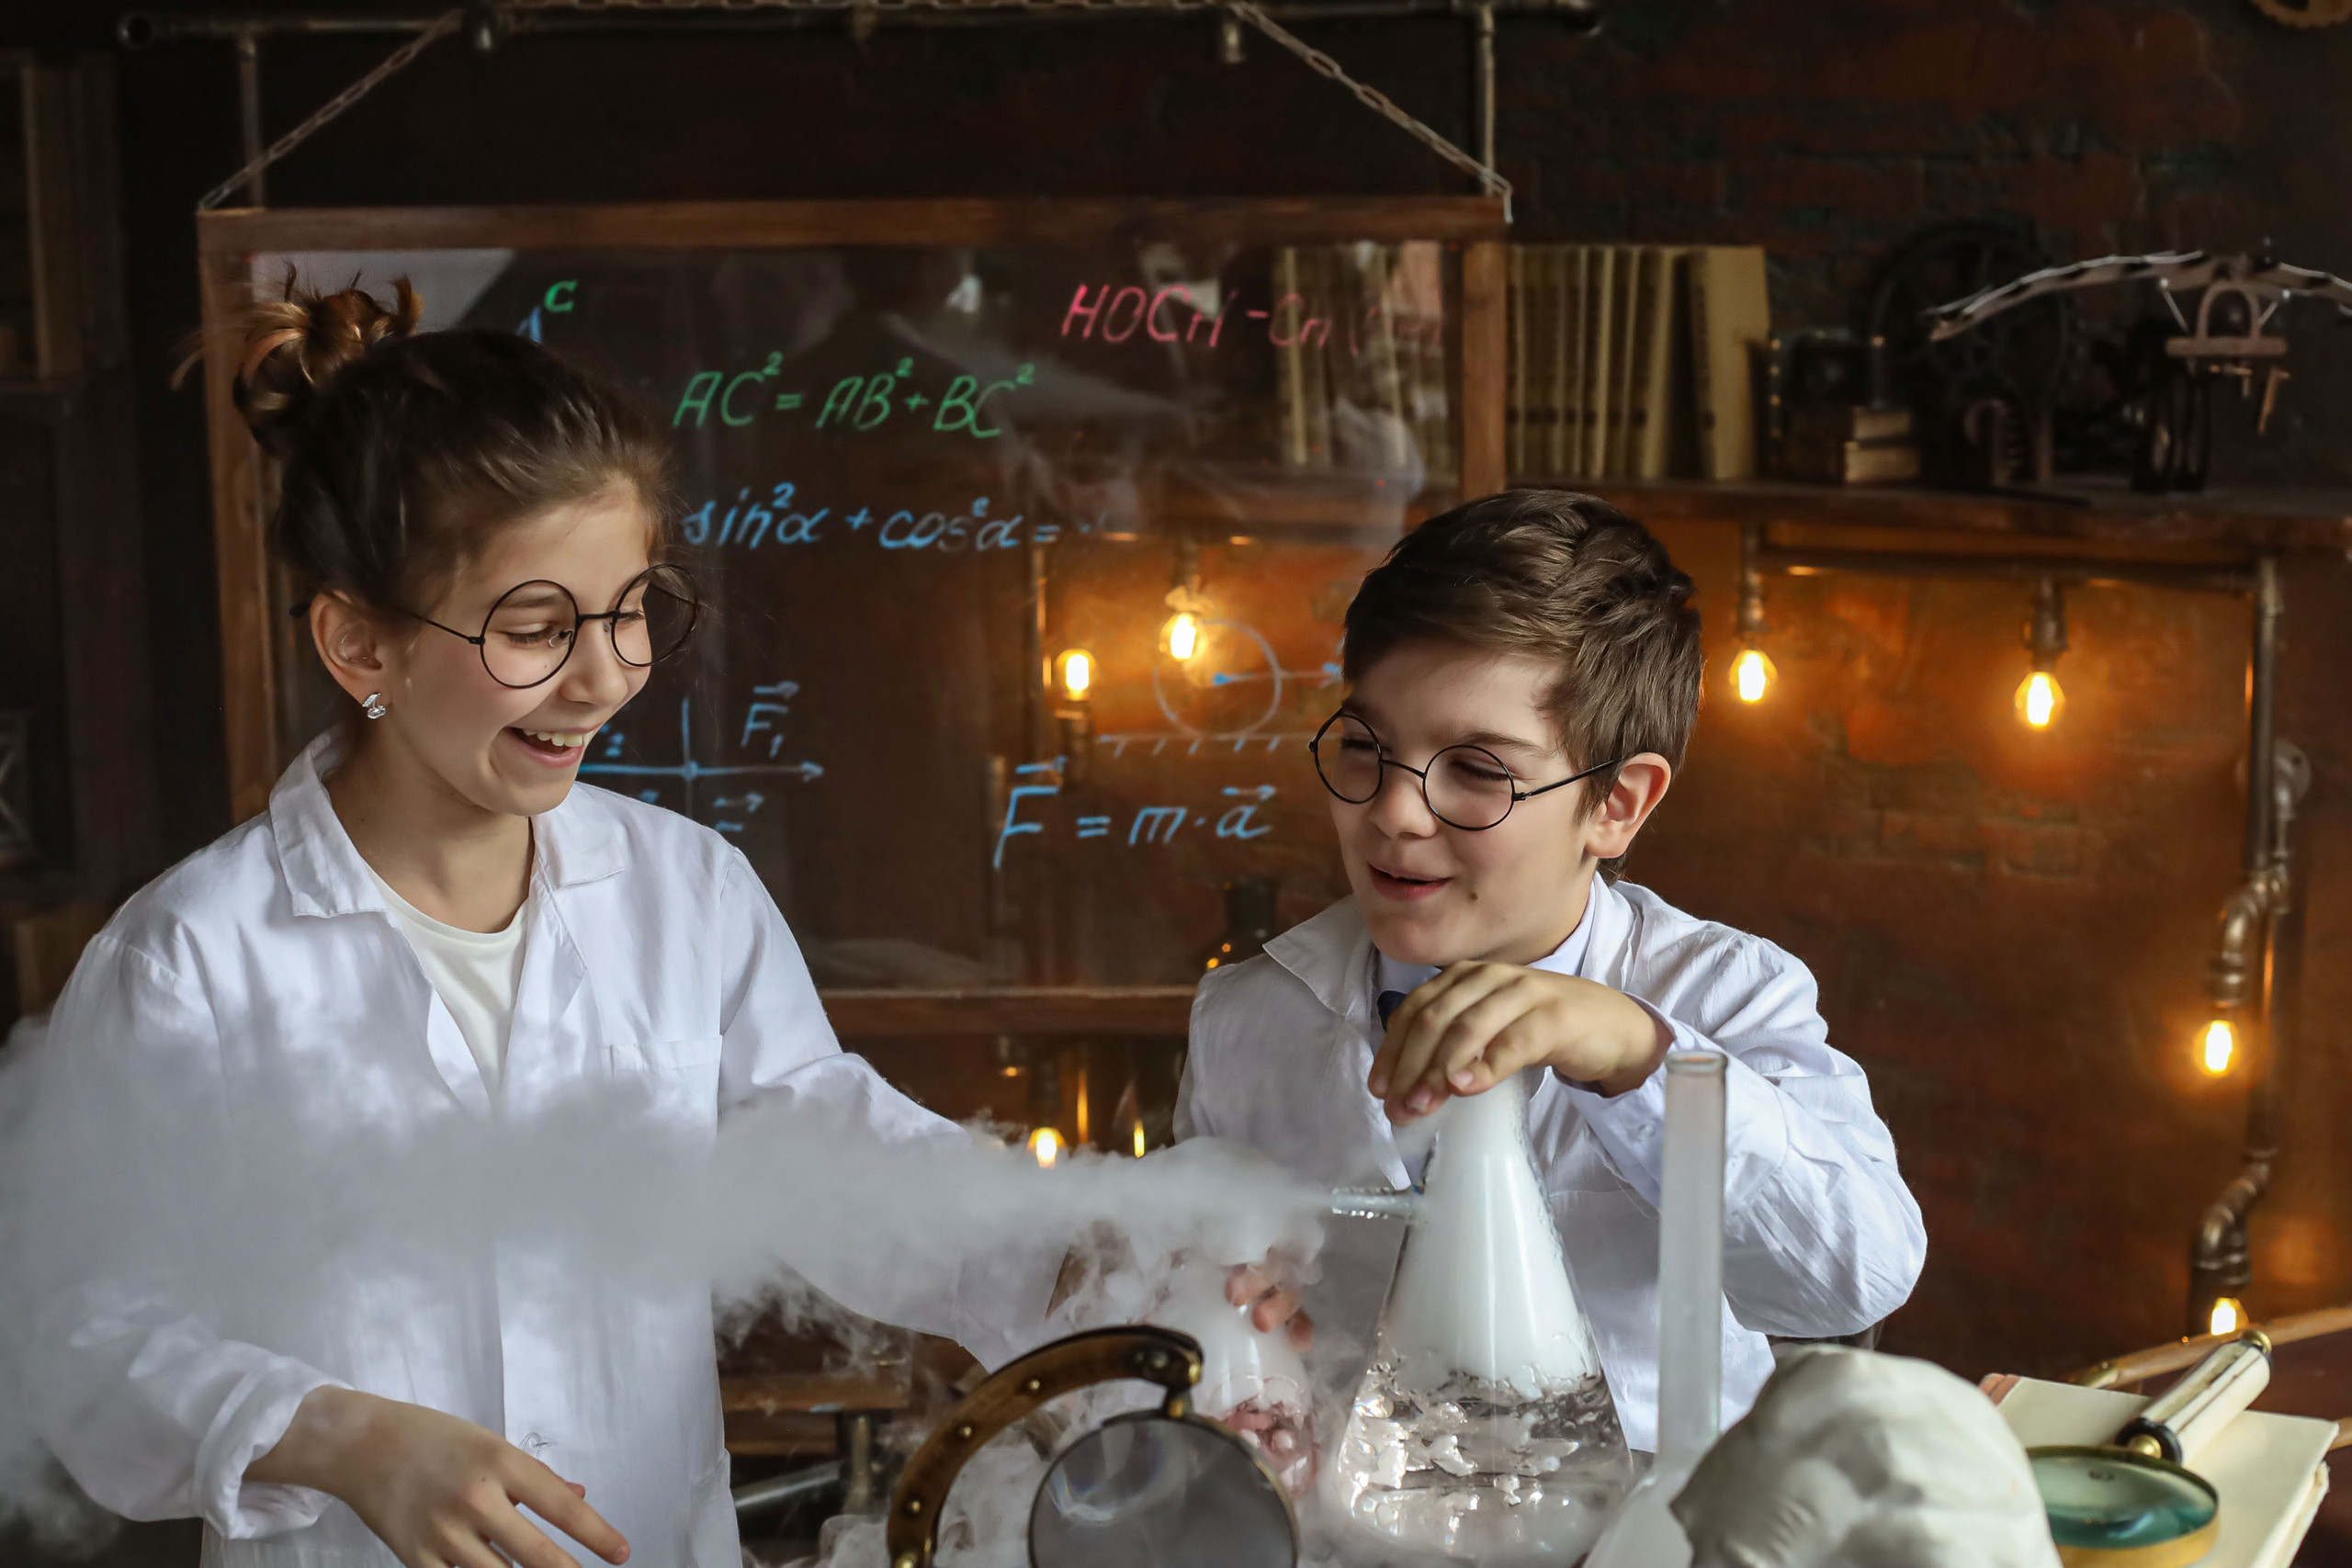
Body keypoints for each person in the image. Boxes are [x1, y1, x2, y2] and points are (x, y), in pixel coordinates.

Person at [21, 278, 1048, 1568]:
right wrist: (335, 1432)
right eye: (535, 626)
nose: (608, 672)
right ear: (359, 645)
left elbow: (830, 1155)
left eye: (631, 609)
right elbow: (86, 1329)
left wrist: (1089, 1250)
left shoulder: (688, 893)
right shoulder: (193, 958)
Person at [1176, 490, 1926, 1450]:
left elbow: (1846, 1280)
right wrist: (1223, 1328)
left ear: (1617, 802)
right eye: (1366, 749)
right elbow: (1205, 1302)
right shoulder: (1251, 1018)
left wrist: (1632, 1053)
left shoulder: (1723, 994)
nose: (1395, 815)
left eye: (1478, 772)